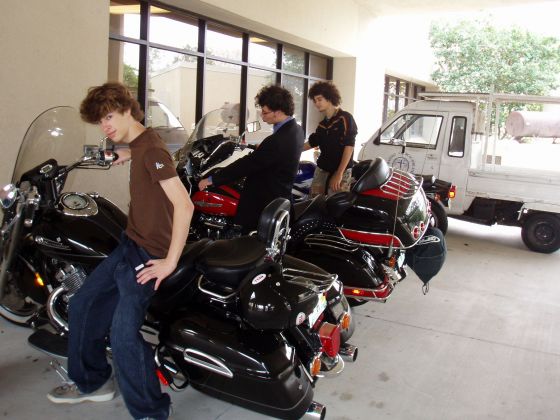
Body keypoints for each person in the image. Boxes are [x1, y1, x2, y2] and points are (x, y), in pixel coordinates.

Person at [47, 82, 194, 420]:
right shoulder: (141, 141)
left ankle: (150, 411)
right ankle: (92, 381)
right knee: (83, 302)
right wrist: (123, 154)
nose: (106, 126)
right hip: (130, 242)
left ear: (128, 110)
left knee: (123, 334)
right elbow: (142, 146)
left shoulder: (153, 151)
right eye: (100, 121)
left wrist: (169, 262)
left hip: (148, 256)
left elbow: (184, 206)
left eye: (110, 117)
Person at [198, 84, 304, 233]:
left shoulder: (277, 141)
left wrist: (212, 179)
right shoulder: (296, 130)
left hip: (264, 202)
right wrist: (256, 148)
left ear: (278, 112)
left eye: (265, 112)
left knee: (247, 241)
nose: (262, 115)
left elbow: (246, 165)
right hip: (280, 194)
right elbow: (271, 156)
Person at [303, 81, 358, 196]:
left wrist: (339, 173)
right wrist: (290, 149)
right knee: (314, 202)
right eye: (314, 101)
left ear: (329, 98)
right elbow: (311, 142)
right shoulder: (322, 124)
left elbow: (349, 147)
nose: (316, 103)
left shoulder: (345, 118)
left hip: (341, 170)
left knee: (335, 205)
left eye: (319, 99)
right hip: (322, 169)